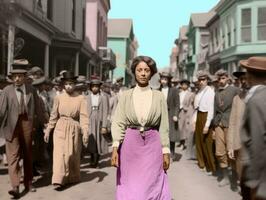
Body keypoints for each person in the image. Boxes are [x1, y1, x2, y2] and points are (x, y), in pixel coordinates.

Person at [111, 55, 171, 200]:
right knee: (131, 183)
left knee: (151, 183)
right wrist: (115, 148)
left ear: (151, 73)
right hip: (130, 144)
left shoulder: (159, 96)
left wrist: (165, 150)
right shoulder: (126, 96)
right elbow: (118, 121)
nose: (143, 73)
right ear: (134, 72)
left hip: (152, 144)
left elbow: (163, 125)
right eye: (139, 70)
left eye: (147, 70)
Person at [0, 59, 45, 198]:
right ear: (12, 77)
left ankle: (28, 182)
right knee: (12, 157)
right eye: (14, 76)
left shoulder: (32, 90)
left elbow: (38, 110)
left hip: (27, 124)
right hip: (11, 126)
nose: (17, 78)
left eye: (20, 76)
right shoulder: (7, 91)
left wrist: (45, 125)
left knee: (27, 154)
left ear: (25, 77)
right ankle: (15, 186)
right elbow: (1, 111)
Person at [44, 71, 89, 188]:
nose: (69, 86)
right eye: (66, 84)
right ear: (63, 85)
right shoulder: (58, 98)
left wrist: (85, 131)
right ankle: (58, 179)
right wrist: (48, 129)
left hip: (74, 127)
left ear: (75, 85)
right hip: (60, 127)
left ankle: (72, 177)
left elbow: (84, 117)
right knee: (59, 154)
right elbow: (53, 115)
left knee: (71, 154)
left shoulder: (80, 98)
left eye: (71, 84)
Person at [240, 57, 266, 200]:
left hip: (259, 174)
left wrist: (255, 182)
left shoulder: (256, 100)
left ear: (249, 75)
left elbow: (257, 141)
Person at [213, 69, 240, 187]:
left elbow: (239, 106)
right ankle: (225, 177)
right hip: (219, 124)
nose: (221, 80)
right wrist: (214, 127)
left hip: (231, 124)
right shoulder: (217, 92)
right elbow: (215, 110)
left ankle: (235, 177)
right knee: (219, 151)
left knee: (232, 151)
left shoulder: (235, 90)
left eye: (223, 78)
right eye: (219, 79)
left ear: (228, 78)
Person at [226, 70, 248, 192]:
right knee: (242, 179)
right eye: (241, 79)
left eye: (246, 78)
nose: (243, 82)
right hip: (240, 145)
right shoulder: (237, 98)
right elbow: (232, 123)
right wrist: (230, 146)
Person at [193, 70, 216, 174]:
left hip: (206, 116)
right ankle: (201, 163)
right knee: (199, 141)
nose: (201, 82)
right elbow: (196, 107)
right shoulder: (199, 91)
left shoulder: (210, 92)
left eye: (203, 80)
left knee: (207, 142)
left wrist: (207, 125)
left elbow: (211, 110)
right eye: (200, 80)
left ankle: (211, 167)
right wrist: (194, 120)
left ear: (207, 80)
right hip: (199, 115)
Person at [87, 79, 109, 168]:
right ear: (90, 88)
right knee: (91, 140)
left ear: (99, 88)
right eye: (93, 87)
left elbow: (105, 112)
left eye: (97, 87)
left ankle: (96, 161)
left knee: (98, 140)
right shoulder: (88, 97)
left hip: (99, 119)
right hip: (90, 118)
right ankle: (91, 159)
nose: (95, 88)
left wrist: (104, 125)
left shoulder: (103, 97)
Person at [159, 72, 180, 161]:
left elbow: (177, 104)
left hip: (170, 115)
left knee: (171, 135)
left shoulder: (174, 90)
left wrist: (175, 114)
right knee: (160, 135)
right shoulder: (157, 90)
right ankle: (161, 154)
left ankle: (172, 153)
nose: (163, 81)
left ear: (168, 80)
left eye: (165, 79)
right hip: (160, 115)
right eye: (162, 79)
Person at [178, 79, 195, 152]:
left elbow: (192, 104)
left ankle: (186, 144)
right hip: (180, 112)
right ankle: (181, 142)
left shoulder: (191, 94)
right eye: (183, 84)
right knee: (180, 127)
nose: (184, 86)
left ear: (188, 86)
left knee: (187, 128)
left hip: (187, 112)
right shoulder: (179, 93)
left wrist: (188, 109)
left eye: (186, 84)